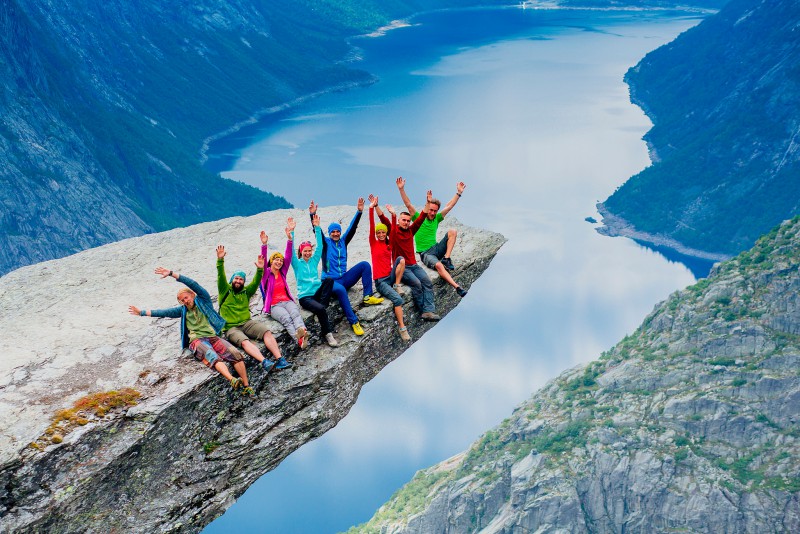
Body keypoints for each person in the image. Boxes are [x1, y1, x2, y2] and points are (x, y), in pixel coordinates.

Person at [129, 267, 256, 396]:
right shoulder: (182, 310)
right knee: (212, 356)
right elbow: (163, 312)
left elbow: (193, 284)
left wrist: (172, 274)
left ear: (192, 295)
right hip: (197, 340)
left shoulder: (204, 300)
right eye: (182, 300)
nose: (185, 301)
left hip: (212, 336)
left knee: (235, 354)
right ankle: (232, 380)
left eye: (186, 297)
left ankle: (246, 386)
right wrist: (141, 313)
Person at [312, 199, 384, 335]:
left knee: (365, 265)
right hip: (330, 282)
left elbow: (353, 228)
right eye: (332, 231)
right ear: (329, 233)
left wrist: (359, 211)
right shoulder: (325, 244)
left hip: (344, 278)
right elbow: (318, 233)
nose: (335, 233)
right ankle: (354, 322)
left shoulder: (343, 241)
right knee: (341, 291)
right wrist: (313, 216)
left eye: (337, 231)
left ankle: (367, 296)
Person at [216, 242, 291, 372]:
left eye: (241, 280)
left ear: (244, 282)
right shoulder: (224, 290)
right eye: (236, 279)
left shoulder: (247, 291)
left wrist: (260, 269)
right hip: (230, 328)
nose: (238, 281)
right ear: (232, 280)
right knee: (245, 342)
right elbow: (220, 275)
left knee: (266, 332)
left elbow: (256, 281)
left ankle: (280, 359)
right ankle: (264, 362)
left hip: (247, 322)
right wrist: (220, 260)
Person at [397, 177, 468, 298]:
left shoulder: (437, 218)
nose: (433, 213)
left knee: (453, 231)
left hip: (436, 248)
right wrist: (401, 189)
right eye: (431, 210)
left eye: (435, 211)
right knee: (439, 266)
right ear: (427, 208)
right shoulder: (418, 218)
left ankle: (447, 258)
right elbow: (408, 205)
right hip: (426, 253)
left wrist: (459, 193)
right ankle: (457, 287)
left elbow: (449, 206)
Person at [291, 210, 339, 347]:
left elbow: (321, 246)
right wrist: (292, 233)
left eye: (309, 250)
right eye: (304, 251)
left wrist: (317, 227)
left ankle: (322, 306)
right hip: (306, 297)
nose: (307, 253)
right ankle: (328, 334)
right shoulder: (297, 264)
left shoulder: (313, 260)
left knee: (329, 280)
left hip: (317, 294)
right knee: (322, 310)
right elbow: (290, 254)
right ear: (301, 252)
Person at [367, 194, 410, 341]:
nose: (380, 234)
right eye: (378, 232)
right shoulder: (373, 243)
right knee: (397, 300)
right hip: (381, 282)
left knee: (401, 260)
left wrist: (393, 215)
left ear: (385, 233)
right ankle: (402, 328)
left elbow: (392, 231)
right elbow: (372, 225)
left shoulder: (388, 244)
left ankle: (397, 284)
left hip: (390, 277)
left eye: (382, 232)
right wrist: (371, 209)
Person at [260, 220, 309, 350]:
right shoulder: (266, 274)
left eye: (281, 260)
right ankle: (299, 341)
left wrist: (289, 239)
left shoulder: (283, 272)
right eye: (277, 259)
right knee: (286, 319)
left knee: (295, 313)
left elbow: (288, 255)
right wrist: (264, 245)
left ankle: (303, 333)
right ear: (272, 261)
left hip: (287, 301)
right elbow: (263, 261)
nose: (280, 262)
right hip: (274, 305)